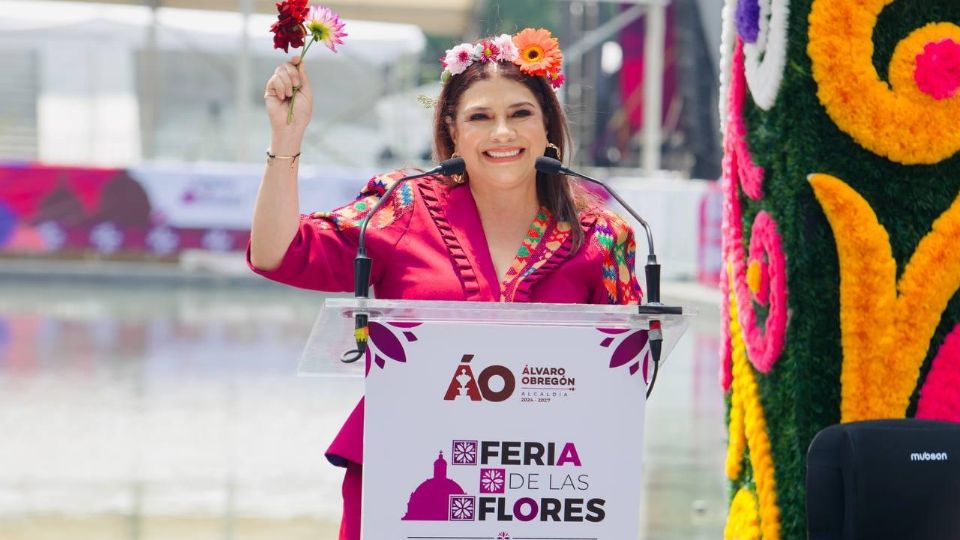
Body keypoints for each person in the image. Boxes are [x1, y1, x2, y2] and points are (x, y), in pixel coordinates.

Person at [249, 28, 642, 540]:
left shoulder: (604, 237)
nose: (502, 132)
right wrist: (287, 138)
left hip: (542, 488)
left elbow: (626, 382)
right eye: (480, 117)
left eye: (520, 113)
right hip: (404, 477)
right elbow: (278, 253)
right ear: (452, 132)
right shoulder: (402, 208)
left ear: (548, 127)